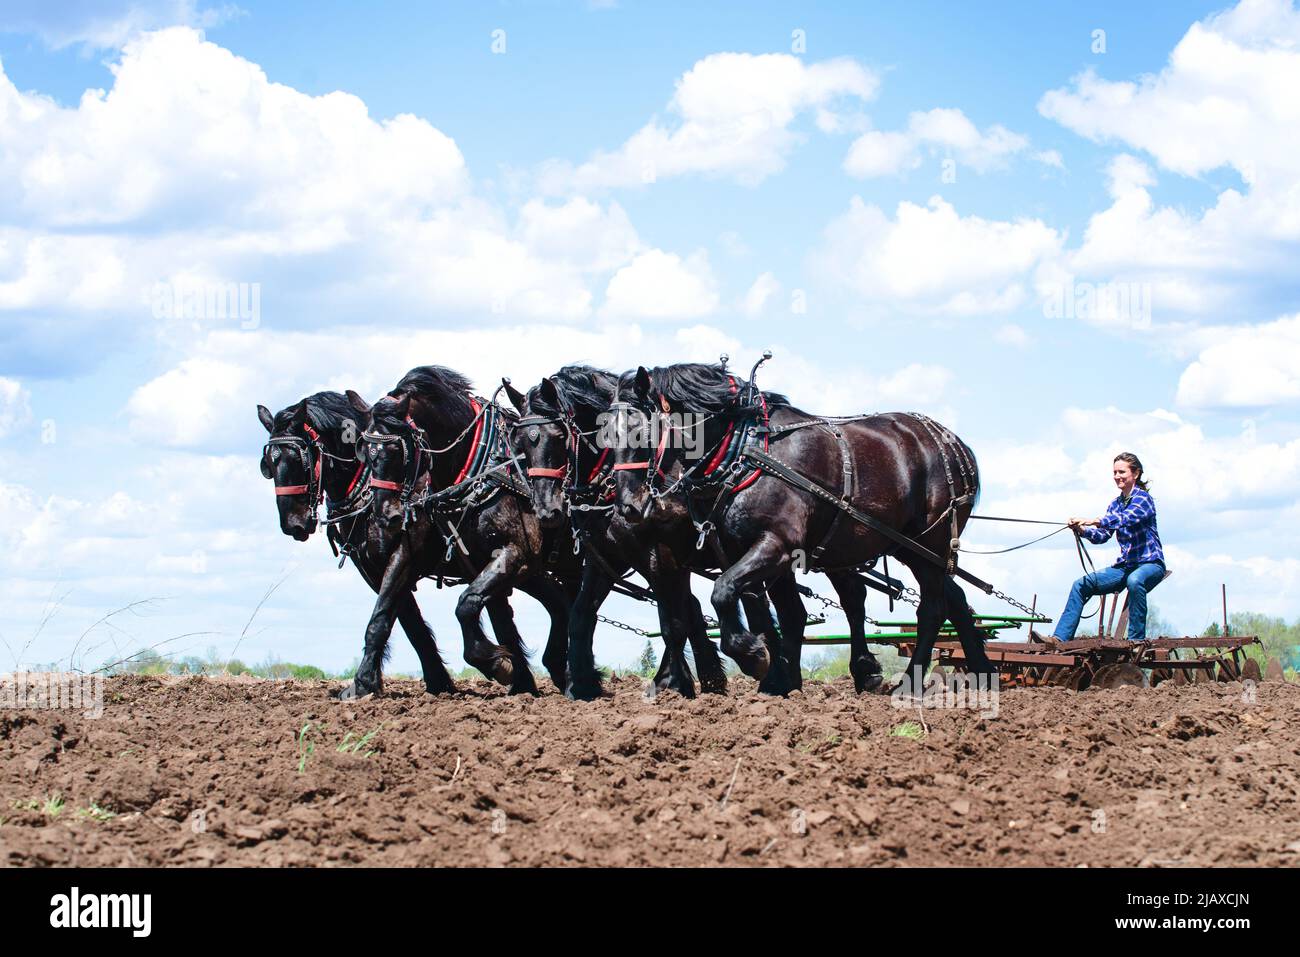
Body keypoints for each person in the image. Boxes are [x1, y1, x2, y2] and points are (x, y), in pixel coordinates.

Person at [1050, 452, 1166, 643]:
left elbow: (1124, 519)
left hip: (1150, 564)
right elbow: (1102, 536)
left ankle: (1136, 641)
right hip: (1125, 567)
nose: (1117, 476)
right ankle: (1059, 638)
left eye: (1122, 472)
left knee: (1135, 580)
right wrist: (1082, 530)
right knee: (1080, 585)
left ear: (1135, 474)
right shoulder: (1115, 503)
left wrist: (1094, 520)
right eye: (1114, 472)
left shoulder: (1143, 499)